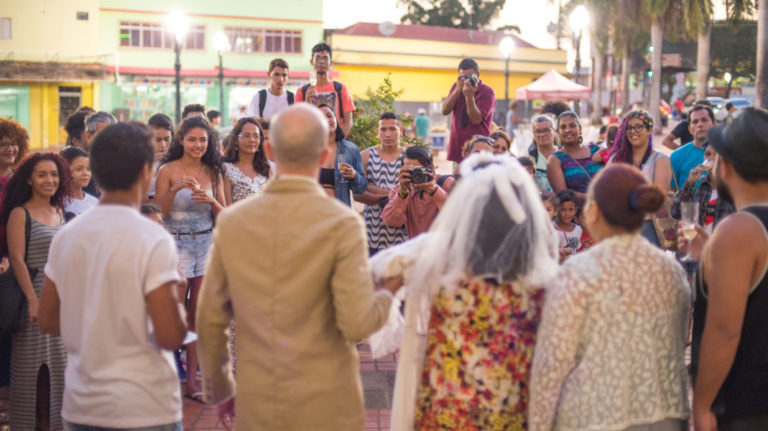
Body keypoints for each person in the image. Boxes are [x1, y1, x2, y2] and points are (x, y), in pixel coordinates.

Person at [196, 103, 399, 430]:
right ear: (323, 155)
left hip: (259, 399)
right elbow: (357, 323)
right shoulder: (342, 223)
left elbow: (208, 319)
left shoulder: (234, 222)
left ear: (271, 148)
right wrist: (390, 290)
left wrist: (221, 390)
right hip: (327, 401)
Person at [378, 153, 558, 430]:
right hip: (510, 409)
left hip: (447, 408)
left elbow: (376, 281)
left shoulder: (433, 257)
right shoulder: (542, 279)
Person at [38, 122, 187, 431]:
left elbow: (48, 319)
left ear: (96, 170)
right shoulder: (153, 238)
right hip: (146, 404)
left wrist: (95, 327)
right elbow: (171, 335)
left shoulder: (67, 236)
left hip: (83, 404)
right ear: (146, 171)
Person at [530, 164, 690, 431]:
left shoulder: (577, 273)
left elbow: (551, 367)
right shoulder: (672, 272)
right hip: (666, 417)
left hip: (594, 417)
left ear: (593, 211)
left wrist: (538, 424)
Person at [680, 109, 768, 431]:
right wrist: (711, 256)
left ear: (727, 166)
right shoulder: (741, 234)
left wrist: (702, 405)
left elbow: (724, 328)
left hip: (748, 404)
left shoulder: (740, 228)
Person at [155, 116, 225, 402]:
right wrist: (174, 190)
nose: (198, 145)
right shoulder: (167, 170)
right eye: (192, 139)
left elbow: (225, 216)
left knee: (198, 314)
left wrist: (212, 201)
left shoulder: (214, 171)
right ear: (181, 140)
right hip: (174, 243)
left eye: (203, 140)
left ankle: (192, 381)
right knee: (174, 313)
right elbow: (157, 213)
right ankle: (170, 372)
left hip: (206, 242)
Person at [3, 153, 71, 431]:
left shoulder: (60, 211)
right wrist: (33, 299)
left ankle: (55, 425)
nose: (49, 180)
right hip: (33, 300)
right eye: (42, 174)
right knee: (35, 373)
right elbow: (17, 260)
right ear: (29, 179)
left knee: (59, 369)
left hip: (61, 301)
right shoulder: (20, 213)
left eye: (54, 174)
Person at [609, 109, 672, 246]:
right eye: (629, 128)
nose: (633, 131)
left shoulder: (660, 159)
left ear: (649, 130)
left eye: (638, 126)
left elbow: (657, 198)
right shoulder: (616, 159)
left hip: (648, 227)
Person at [0, 118, 28, 417]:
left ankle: (8, 393)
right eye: (3, 143)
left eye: (13, 143)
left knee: (9, 327)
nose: (10, 148)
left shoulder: (22, 178)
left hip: (15, 260)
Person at [353, 112, 408, 256]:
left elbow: (415, 194)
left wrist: (372, 190)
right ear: (377, 132)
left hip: (402, 235)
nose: (388, 134)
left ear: (400, 131)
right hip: (373, 233)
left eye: (392, 129)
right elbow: (358, 193)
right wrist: (397, 194)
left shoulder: (409, 157)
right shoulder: (365, 156)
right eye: (383, 129)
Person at [381, 145, 455, 239]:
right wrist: (402, 193)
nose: (415, 176)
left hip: (444, 248)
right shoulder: (399, 190)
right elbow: (391, 220)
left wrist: (435, 191)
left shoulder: (446, 183)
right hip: (418, 249)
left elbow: (458, 217)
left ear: (431, 169)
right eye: (410, 171)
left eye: (418, 170)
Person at [671, 143, 734, 234]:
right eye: (707, 154)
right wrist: (690, 183)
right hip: (700, 245)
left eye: (716, 154)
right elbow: (676, 212)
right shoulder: (699, 184)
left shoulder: (733, 188)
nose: (710, 158)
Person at [442, 58, 496, 164]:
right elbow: (444, 111)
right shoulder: (457, 86)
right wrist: (457, 90)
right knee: (458, 180)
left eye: (469, 76)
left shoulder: (487, 92)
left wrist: (469, 96)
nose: (466, 80)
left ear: (478, 75)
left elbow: (476, 119)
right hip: (458, 150)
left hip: (479, 151)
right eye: (463, 77)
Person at [295, 43, 355, 137]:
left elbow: (349, 121)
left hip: (336, 141)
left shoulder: (341, 89)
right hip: (313, 141)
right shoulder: (302, 91)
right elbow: (298, 121)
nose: (321, 61)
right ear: (312, 61)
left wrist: (339, 142)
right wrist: (307, 101)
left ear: (331, 62)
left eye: (325, 58)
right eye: (318, 58)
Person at [316, 104, 366, 206]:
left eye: (330, 116)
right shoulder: (309, 150)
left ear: (336, 120)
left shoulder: (351, 150)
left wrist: (354, 175)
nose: (328, 120)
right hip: (314, 215)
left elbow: (360, 189)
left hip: (340, 215)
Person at [547, 111, 603, 198]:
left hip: (605, 209)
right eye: (563, 127)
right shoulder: (555, 160)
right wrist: (594, 198)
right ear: (558, 132)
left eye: (572, 125)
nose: (568, 130)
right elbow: (563, 194)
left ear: (580, 129)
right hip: (579, 210)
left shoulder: (595, 149)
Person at [222, 117, 270, 205]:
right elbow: (227, 209)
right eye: (246, 136)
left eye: (256, 136)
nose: (251, 140)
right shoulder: (226, 169)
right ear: (236, 140)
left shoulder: (266, 168)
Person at [670, 104, 716, 188]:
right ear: (690, 129)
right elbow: (671, 194)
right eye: (695, 122)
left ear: (714, 125)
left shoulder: (725, 155)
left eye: (704, 120)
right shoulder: (676, 156)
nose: (699, 125)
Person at [60, 147, 98, 219]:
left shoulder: (94, 202)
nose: (85, 173)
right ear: (65, 170)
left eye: (88, 169)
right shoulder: (59, 204)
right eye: (79, 169)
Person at [529, 114, 556, 191]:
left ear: (554, 132)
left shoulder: (564, 155)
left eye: (546, 130)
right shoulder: (530, 158)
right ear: (534, 135)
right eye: (538, 131)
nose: (542, 134)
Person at [553, 189, 582, 260]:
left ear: (576, 210)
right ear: (556, 210)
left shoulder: (578, 229)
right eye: (563, 209)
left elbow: (576, 250)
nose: (567, 214)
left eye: (571, 209)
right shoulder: (551, 228)